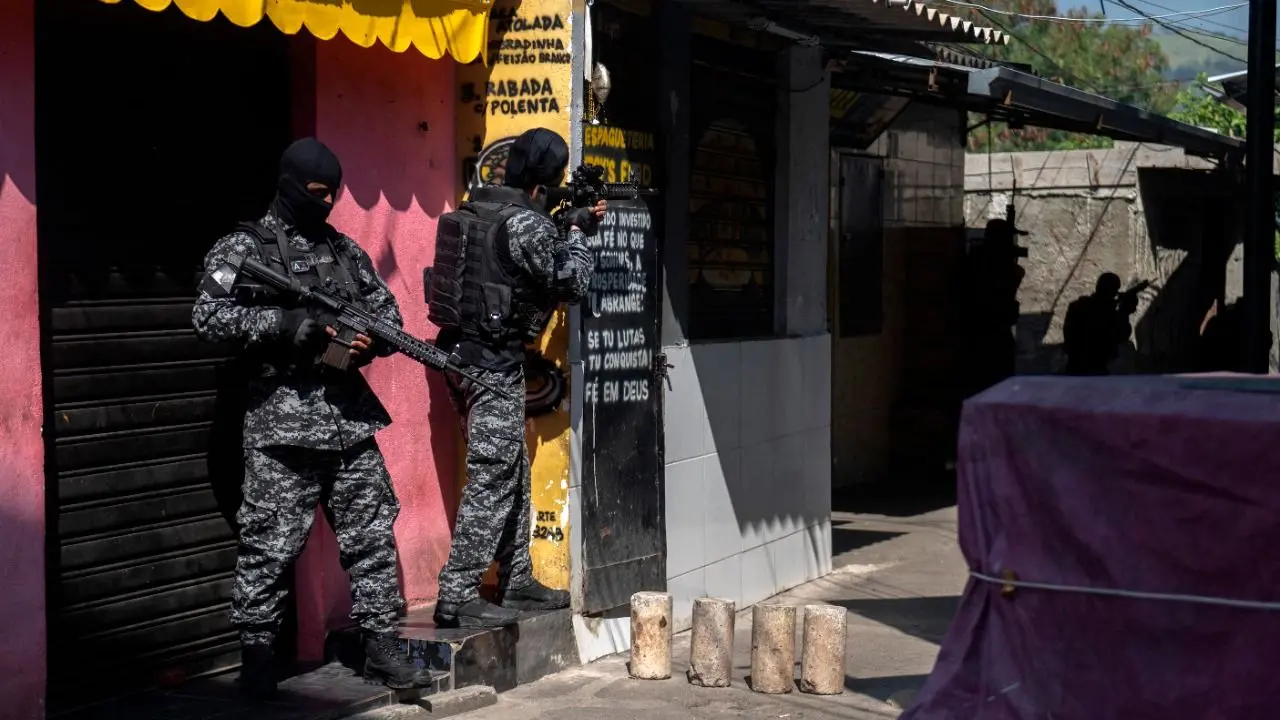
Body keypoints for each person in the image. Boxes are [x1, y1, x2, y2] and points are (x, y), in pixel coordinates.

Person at [192, 138, 432, 698]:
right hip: (282, 428)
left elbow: (387, 313)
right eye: (317, 192)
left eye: (333, 194)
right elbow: (207, 316)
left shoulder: (342, 251)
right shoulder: (243, 247)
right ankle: (257, 658)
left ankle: (381, 648)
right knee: (269, 547)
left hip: (348, 423)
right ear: (290, 185)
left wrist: (368, 341)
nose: (326, 203)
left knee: (371, 538)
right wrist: (281, 326)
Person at [427, 128, 606, 628]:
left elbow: (514, 262)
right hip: (492, 365)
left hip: (462, 359)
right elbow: (571, 281)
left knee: (511, 471)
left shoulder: (477, 207)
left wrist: (562, 223)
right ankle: (457, 593)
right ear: (541, 186)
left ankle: (516, 579)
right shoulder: (527, 224)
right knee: (493, 476)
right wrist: (578, 233)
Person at [1063, 272, 1143, 375]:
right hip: (1095, 367)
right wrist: (1124, 312)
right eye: (1114, 291)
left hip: (1076, 366)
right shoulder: (1107, 313)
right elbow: (1121, 336)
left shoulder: (1077, 306)